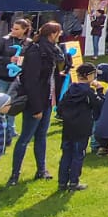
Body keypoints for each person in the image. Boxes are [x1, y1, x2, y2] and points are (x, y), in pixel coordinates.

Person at [10, 20, 68, 185]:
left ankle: (41, 170)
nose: (60, 35)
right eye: (58, 32)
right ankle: (15, 175)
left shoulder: (53, 50)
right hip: (36, 101)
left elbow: (55, 74)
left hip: (48, 100)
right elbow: (31, 81)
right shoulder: (36, 51)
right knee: (25, 138)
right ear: (52, 34)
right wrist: (36, 107)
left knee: (41, 136)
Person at [56, 63, 103, 191]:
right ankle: (74, 182)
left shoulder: (70, 90)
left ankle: (62, 182)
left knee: (66, 154)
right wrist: (99, 91)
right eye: (93, 75)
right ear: (88, 76)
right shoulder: (88, 92)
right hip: (82, 128)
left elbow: (60, 108)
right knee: (78, 155)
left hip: (68, 128)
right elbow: (99, 105)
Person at [0, 18, 30, 95]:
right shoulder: (4, 40)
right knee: (0, 100)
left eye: (17, 29)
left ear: (24, 30)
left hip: (18, 77)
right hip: (2, 76)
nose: (13, 31)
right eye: (13, 28)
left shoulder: (28, 42)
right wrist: (9, 59)